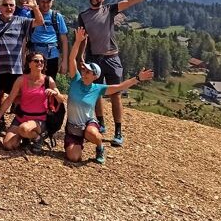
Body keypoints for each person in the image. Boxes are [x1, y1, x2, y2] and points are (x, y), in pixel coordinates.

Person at [78, 0, 165, 147]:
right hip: (94, 58)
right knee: (96, 93)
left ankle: (118, 131)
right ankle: (101, 124)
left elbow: (129, 1)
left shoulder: (109, 10)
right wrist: (81, 58)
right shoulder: (83, 16)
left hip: (112, 58)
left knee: (115, 94)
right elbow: (83, 39)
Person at [65, 27, 154, 164]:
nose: (84, 73)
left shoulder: (97, 88)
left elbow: (119, 87)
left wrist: (138, 78)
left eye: (88, 72)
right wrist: (78, 41)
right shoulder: (76, 79)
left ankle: (99, 146)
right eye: (84, 70)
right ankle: (78, 144)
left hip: (88, 124)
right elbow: (72, 59)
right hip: (72, 128)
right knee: (74, 157)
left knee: (93, 134)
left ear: (95, 76)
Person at [0, 52, 63, 153]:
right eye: (36, 61)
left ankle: (38, 138)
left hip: (39, 120)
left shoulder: (48, 80)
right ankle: (26, 138)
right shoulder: (21, 80)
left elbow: (61, 100)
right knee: (8, 145)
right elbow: (9, 100)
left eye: (42, 61)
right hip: (21, 117)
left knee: (24, 128)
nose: (39, 63)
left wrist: (55, 93)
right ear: (29, 64)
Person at [0, 0, 32, 134]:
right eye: (5, 5)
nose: (8, 7)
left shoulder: (22, 21)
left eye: (11, 5)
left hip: (16, 66)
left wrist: (34, 7)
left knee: (19, 95)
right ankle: (0, 123)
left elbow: (39, 22)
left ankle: (19, 123)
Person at [29, 0, 69, 80]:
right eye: (43, 1)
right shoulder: (31, 14)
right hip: (34, 54)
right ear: (38, 1)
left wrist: (64, 61)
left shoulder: (57, 17)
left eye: (48, 2)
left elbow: (64, 40)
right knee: (34, 82)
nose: (45, 4)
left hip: (53, 55)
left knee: (50, 82)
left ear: (52, 2)